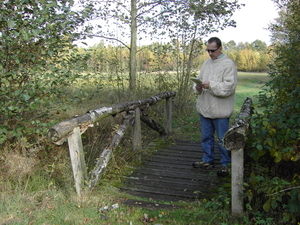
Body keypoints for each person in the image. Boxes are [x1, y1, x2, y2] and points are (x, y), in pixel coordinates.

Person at [192, 37, 237, 177]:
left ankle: (225, 164)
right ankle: (207, 159)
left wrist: (211, 85)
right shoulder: (206, 63)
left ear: (220, 48)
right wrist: (198, 87)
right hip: (205, 107)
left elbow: (229, 87)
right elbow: (198, 82)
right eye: (208, 50)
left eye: (212, 50)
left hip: (220, 110)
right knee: (206, 137)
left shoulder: (228, 64)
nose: (210, 53)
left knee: (223, 139)